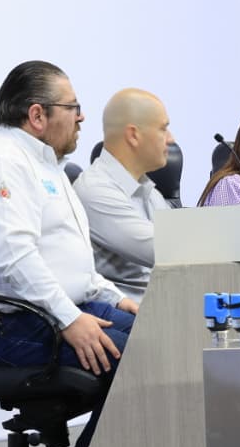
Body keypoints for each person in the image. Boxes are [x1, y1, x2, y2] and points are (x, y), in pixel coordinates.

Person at [0, 60, 139, 447]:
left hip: (48, 314)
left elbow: (69, 262)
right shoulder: (3, 162)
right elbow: (14, 258)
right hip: (8, 329)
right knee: (142, 359)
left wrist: (115, 298)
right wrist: (70, 319)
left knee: (163, 339)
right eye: (73, 107)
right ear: (37, 115)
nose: (81, 117)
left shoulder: (47, 166)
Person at [74, 88, 174, 302]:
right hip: (128, 314)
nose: (171, 139)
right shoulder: (95, 190)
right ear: (133, 135)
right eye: (163, 129)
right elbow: (167, 250)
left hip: (163, 307)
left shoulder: (150, 192)